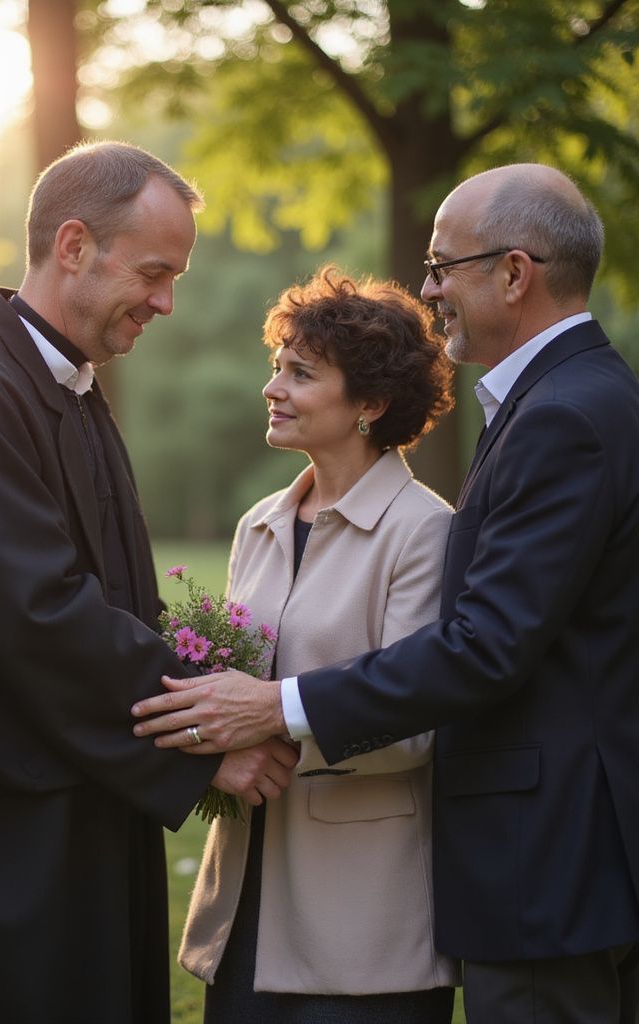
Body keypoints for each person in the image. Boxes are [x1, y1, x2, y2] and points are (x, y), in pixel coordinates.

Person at [132, 164, 639, 1023]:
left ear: (514, 273)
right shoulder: (561, 403)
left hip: (544, 861)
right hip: (516, 867)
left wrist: (273, 711)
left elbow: (486, 645)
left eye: (444, 266)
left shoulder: (565, 416)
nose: (430, 287)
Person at [0, 141, 298, 1024]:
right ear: (73, 245)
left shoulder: (69, 391)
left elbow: (103, 600)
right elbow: (35, 612)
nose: (166, 302)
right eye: (154, 271)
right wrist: (202, 729)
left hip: (73, 809)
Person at [165, 266, 457, 1022]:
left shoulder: (425, 531)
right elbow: (225, 681)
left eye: (301, 373)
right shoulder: (258, 524)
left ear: (371, 403)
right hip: (243, 902)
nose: (273, 388)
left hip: (362, 923)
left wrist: (266, 723)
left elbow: (419, 725)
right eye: (276, 367)